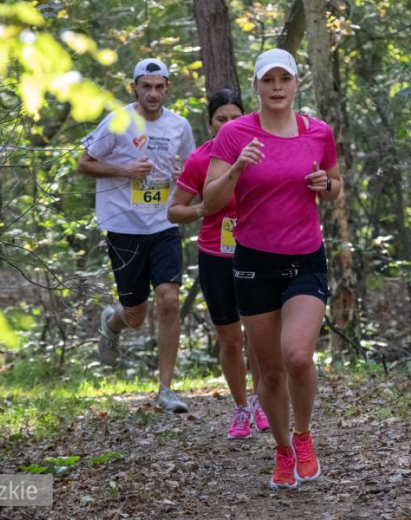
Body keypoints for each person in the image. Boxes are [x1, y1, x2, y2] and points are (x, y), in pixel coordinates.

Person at [203, 49, 343, 488]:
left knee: (297, 355)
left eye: (285, 78)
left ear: (297, 83)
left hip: (305, 258)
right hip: (253, 263)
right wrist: (237, 168)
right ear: (257, 86)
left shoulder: (318, 132)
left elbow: (335, 187)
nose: (277, 87)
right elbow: (210, 201)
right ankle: (283, 450)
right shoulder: (235, 134)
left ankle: (303, 436)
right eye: (269, 79)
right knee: (270, 371)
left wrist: (326, 184)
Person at [77, 58, 195, 413]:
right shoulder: (118, 121)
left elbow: (192, 169)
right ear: (135, 88)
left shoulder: (179, 126)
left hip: (164, 224)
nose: (153, 93)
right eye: (146, 87)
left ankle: (166, 389)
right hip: (124, 226)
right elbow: (84, 163)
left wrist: (183, 175)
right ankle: (112, 321)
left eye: (159, 87)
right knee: (135, 315)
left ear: (168, 89)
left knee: (169, 299)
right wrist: (125, 170)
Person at [167, 89, 270, 439]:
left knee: (259, 336)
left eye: (235, 118)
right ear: (210, 123)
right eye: (221, 119)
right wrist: (201, 209)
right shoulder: (200, 159)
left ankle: (261, 401)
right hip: (216, 256)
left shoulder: (262, 150)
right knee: (231, 339)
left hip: (258, 252)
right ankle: (241, 408)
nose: (228, 124)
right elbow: (174, 211)